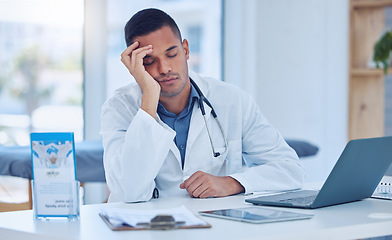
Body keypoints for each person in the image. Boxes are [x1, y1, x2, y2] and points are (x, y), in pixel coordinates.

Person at [100, 8, 305, 203]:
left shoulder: (232, 100)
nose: (164, 68)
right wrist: (149, 101)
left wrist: (234, 183)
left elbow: (289, 170)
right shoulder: (119, 108)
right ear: (135, 66)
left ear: (186, 49)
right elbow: (128, 191)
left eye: (172, 54)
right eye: (149, 61)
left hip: (213, 226)